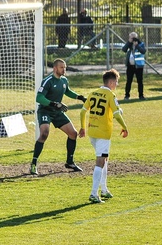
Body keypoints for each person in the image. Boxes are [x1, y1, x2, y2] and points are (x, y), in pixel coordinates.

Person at [79, 69, 128, 203]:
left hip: (92, 133)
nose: (117, 85)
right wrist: (124, 127)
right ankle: (94, 193)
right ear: (111, 82)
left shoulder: (93, 93)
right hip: (103, 134)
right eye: (116, 82)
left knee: (104, 159)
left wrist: (83, 128)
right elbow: (117, 114)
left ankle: (104, 189)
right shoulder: (110, 96)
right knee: (100, 161)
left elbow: (82, 112)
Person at [30, 59, 86, 175]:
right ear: (55, 68)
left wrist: (80, 97)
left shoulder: (64, 80)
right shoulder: (48, 81)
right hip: (45, 111)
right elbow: (39, 98)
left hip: (57, 112)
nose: (64, 69)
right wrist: (54, 104)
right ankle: (33, 164)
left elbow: (67, 91)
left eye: (65, 67)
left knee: (73, 134)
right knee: (44, 134)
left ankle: (69, 162)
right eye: (62, 67)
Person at [122, 31, 147, 100]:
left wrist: (137, 45)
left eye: (134, 38)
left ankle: (141, 95)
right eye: (131, 37)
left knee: (140, 81)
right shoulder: (128, 45)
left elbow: (143, 51)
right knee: (129, 81)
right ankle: (127, 95)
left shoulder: (141, 44)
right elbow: (124, 49)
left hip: (138, 66)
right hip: (130, 66)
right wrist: (129, 42)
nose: (133, 39)